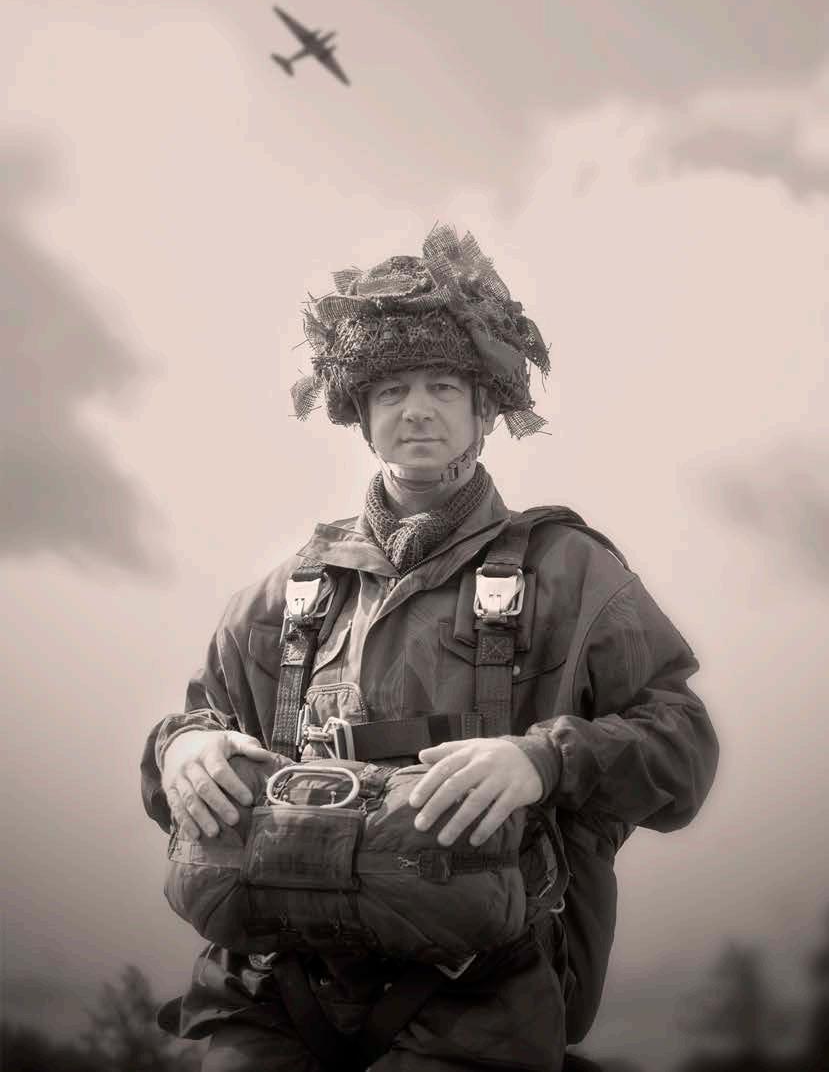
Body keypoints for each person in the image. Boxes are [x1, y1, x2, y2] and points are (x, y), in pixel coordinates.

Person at [141, 225, 718, 1072]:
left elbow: (682, 747)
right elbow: (198, 734)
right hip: (271, 990)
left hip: (477, 1001)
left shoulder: (572, 574)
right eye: (391, 390)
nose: (416, 409)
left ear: (486, 410)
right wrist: (182, 749)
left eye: (443, 386)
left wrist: (541, 761)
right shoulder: (286, 592)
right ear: (360, 416)